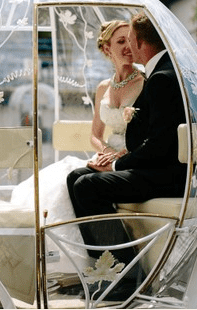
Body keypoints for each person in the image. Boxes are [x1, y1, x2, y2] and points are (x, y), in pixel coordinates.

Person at [10, 19, 145, 271]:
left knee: (82, 182)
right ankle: (99, 258)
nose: (128, 46)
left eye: (131, 40)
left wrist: (120, 156)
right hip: (109, 155)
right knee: (67, 179)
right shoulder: (103, 88)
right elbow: (95, 134)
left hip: (133, 155)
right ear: (107, 49)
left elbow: (148, 133)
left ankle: (120, 262)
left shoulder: (144, 83)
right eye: (121, 41)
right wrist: (105, 153)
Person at [66, 12, 186, 271]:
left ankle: (123, 270)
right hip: (152, 164)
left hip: (165, 174)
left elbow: (158, 145)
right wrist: (110, 157)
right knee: (75, 177)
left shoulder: (160, 79)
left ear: (141, 43)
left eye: (129, 39)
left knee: (87, 185)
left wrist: (116, 164)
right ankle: (104, 263)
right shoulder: (161, 73)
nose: (129, 46)